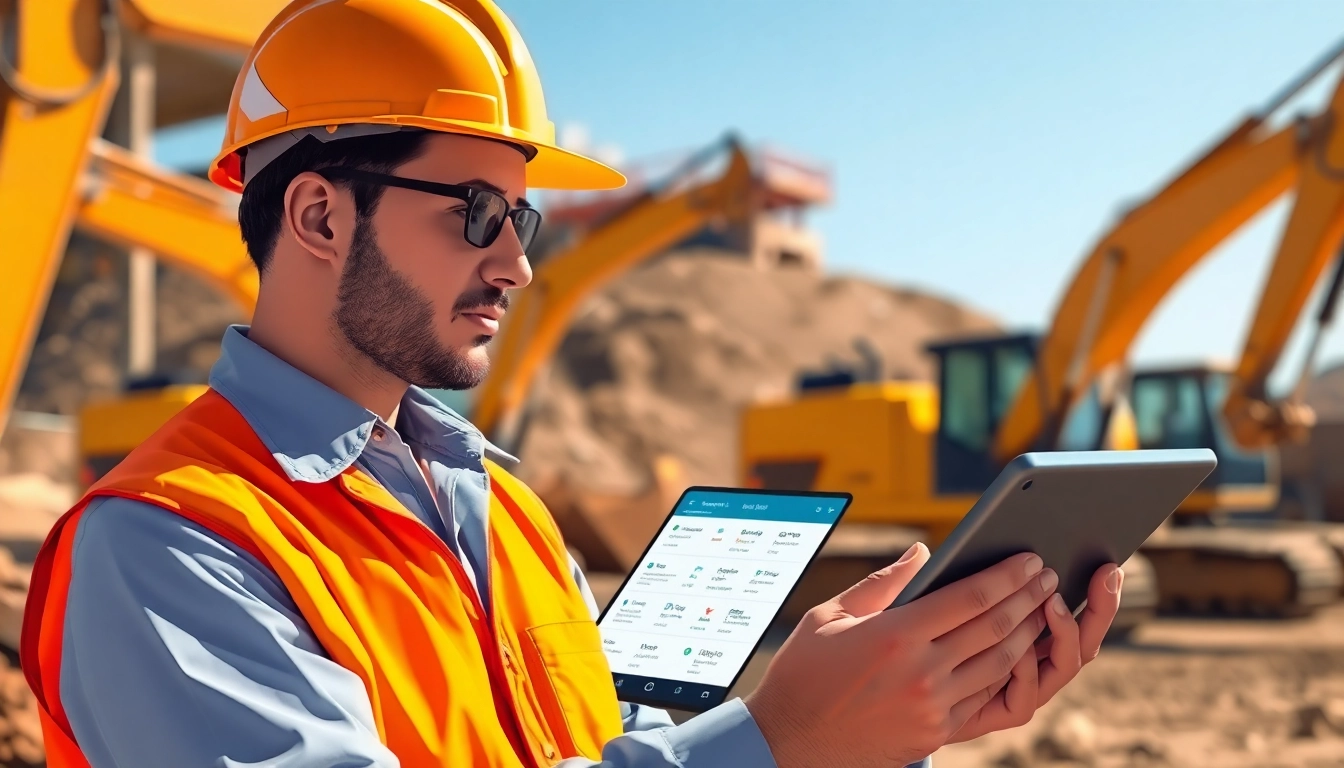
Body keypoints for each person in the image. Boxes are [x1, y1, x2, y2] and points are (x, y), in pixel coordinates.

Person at [20, 2, 1123, 767]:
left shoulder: (502, 509)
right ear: (315, 215)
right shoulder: (165, 549)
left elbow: (603, 750)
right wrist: (778, 740)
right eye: (474, 214)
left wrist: (871, 726)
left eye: (523, 219)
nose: (516, 262)